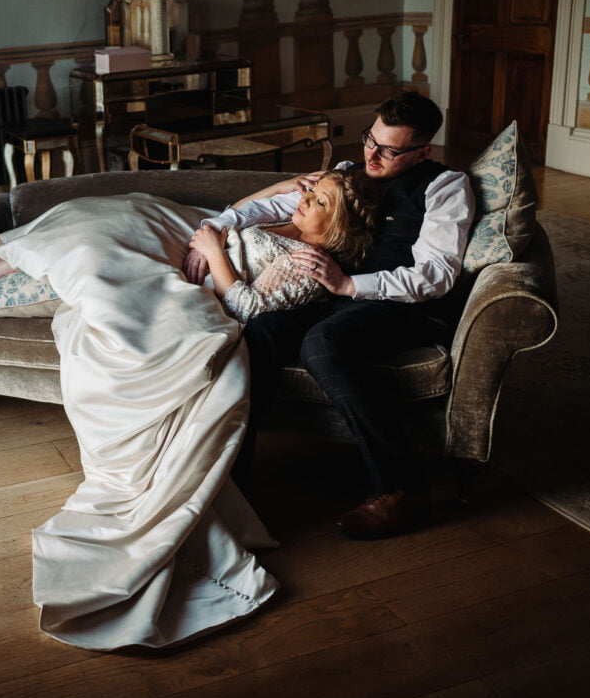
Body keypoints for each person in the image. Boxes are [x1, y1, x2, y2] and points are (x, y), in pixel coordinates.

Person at [189, 91, 474, 540]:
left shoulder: (444, 187)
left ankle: (405, 489)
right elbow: (278, 206)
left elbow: (435, 275)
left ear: (423, 151)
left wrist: (348, 285)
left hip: (406, 305)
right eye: (369, 140)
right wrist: (219, 227)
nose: (372, 155)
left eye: (389, 150)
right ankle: (230, 485)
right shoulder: (344, 173)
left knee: (322, 343)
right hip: (333, 297)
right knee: (259, 330)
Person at [0, 169, 379, 324]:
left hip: (201, 266)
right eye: (311, 192)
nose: (304, 199)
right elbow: (238, 211)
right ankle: (3, 242)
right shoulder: (294, 219)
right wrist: (283, 185)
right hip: (199, 231)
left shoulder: (309, 262)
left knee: (103, 242)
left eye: (318, 200)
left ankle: (3, 264)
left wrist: (212, 252)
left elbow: (250, 309)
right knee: (122, 208)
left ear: (338, 225)